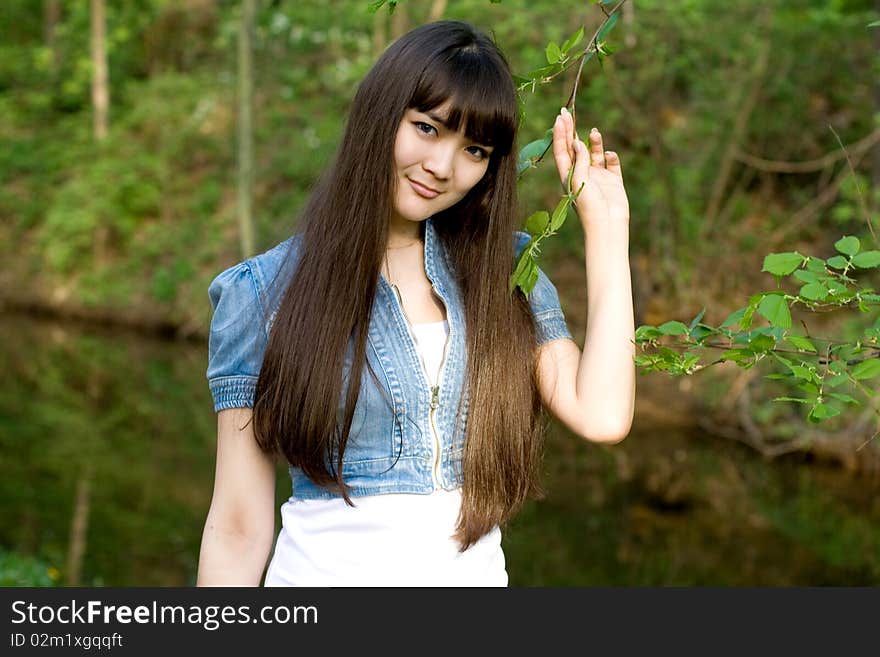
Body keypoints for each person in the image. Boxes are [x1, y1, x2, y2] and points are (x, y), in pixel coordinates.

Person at [196, 19, 635, 587]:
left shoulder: (503, 273)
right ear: (381, 114)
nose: (443, 167)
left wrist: (607, 228)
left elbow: (600, 414)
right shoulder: (262, 293)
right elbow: (236, 528)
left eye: (473, 149)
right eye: (427, 129)